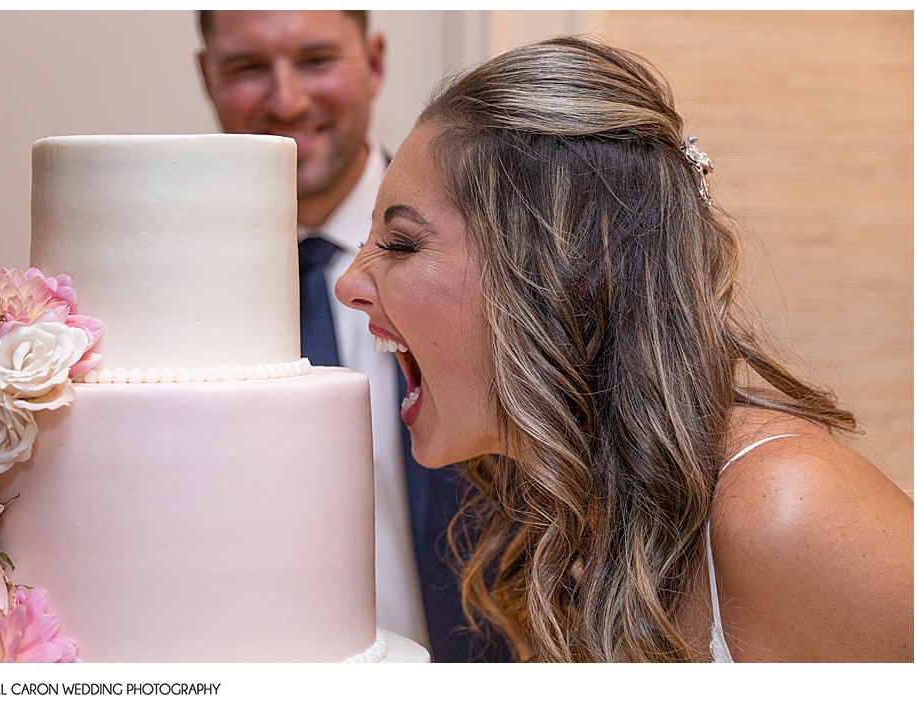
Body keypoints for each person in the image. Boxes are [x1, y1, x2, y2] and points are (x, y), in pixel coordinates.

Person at [335, 35, 914, 662]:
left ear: (561, 268)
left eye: (400, 244)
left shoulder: (786, 507)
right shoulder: (562, 511)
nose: (349, 284)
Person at [196, 10, 509, 662]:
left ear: (373, 62)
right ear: (208, 76)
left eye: (316, 60)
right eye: (249, 67)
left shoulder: (491, 239)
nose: (287, 100)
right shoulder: (172, 287)